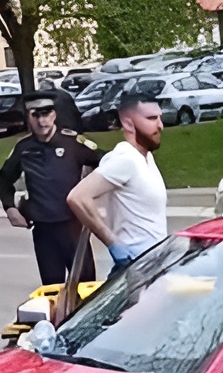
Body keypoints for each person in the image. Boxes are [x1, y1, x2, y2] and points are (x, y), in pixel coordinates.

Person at [0, 91, 102, 287]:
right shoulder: (23, 148)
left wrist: (94, 194)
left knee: (85, 287)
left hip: (73, 227)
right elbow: (4, 179)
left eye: (46, 114)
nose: (42, 121)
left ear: (54, 115)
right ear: (28, 117)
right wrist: (10, 207)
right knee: (51, 289)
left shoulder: (73, 143)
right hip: (43, 231)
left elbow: (105, 163)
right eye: (35, 115)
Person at [67, 91, 167, 273]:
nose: (160, 125)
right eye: (151, 118)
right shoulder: (124, 159)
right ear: (128, 123)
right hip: (135, 267)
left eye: (160, 118)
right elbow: (78, 197)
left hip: (153, 264)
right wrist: (114, 243)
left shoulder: (145, 157)